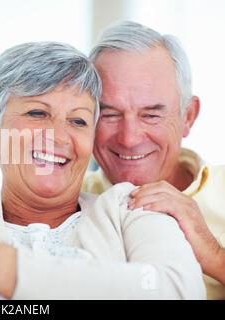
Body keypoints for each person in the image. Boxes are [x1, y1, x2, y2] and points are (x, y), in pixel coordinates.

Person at [0, 41, 205, 300]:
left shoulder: (129, 207)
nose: (58, 136)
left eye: (78, 120)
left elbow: (179, 290)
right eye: (37, 113)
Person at [82, 21, 225, 299]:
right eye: (109, 114)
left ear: (188, 116)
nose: (130, 138)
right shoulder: (64, 202)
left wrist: (214, 254)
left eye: (151, 115)